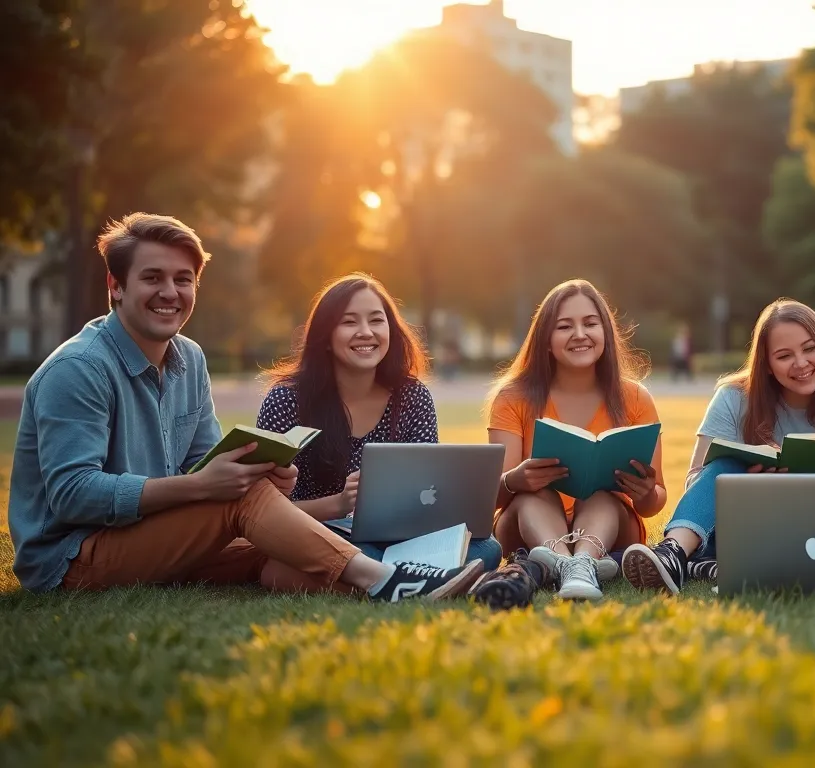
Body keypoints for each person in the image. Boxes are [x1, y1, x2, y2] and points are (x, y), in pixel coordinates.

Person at [8, 213, 481, 601]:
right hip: (74, 557)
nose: (170, 292)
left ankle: (420, 587)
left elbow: (209, 463)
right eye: (152, 278)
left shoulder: (188, 358)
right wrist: (204, 486)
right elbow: (73, 493)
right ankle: (385, 579)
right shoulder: (78, 370)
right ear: (115, 286)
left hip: (161, 535)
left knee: (281, 557)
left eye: (183, 279)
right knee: (242, 502)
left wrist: (260, 473)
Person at [622, 299, 815, 595]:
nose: (801, 363)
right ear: (766, 364)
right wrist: (750, 483)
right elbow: (695, 480)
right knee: (724, 467)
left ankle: (707, 564)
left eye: (810, 349)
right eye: (784, 356)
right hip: (756, 525)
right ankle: (673, 554)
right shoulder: (733, 397)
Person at [256, 273, 503, 570]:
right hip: (320, 533)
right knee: (352, 556)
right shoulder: (287, 401)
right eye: (349, 322)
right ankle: (406, 574)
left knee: (487, 548)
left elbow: (427, 493)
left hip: (400, 537)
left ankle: (395, 573)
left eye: (376, 320)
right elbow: (262, 512)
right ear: (325, 337)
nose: (365, 332)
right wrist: (339, 504)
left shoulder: (412, 397)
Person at [482, 279, 666, 602]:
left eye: (590, 323)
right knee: (534, 493)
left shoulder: (635, 398)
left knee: (602, 496)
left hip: (609, 525)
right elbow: (490, 499)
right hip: (525, 526)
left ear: (605, 334)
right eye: (565, 326)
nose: (580, 334)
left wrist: (646, 491)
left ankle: (580, 562)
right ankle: (572, 565)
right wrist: (515, 479)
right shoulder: (513, 398)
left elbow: (653, 504)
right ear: (546, 341)